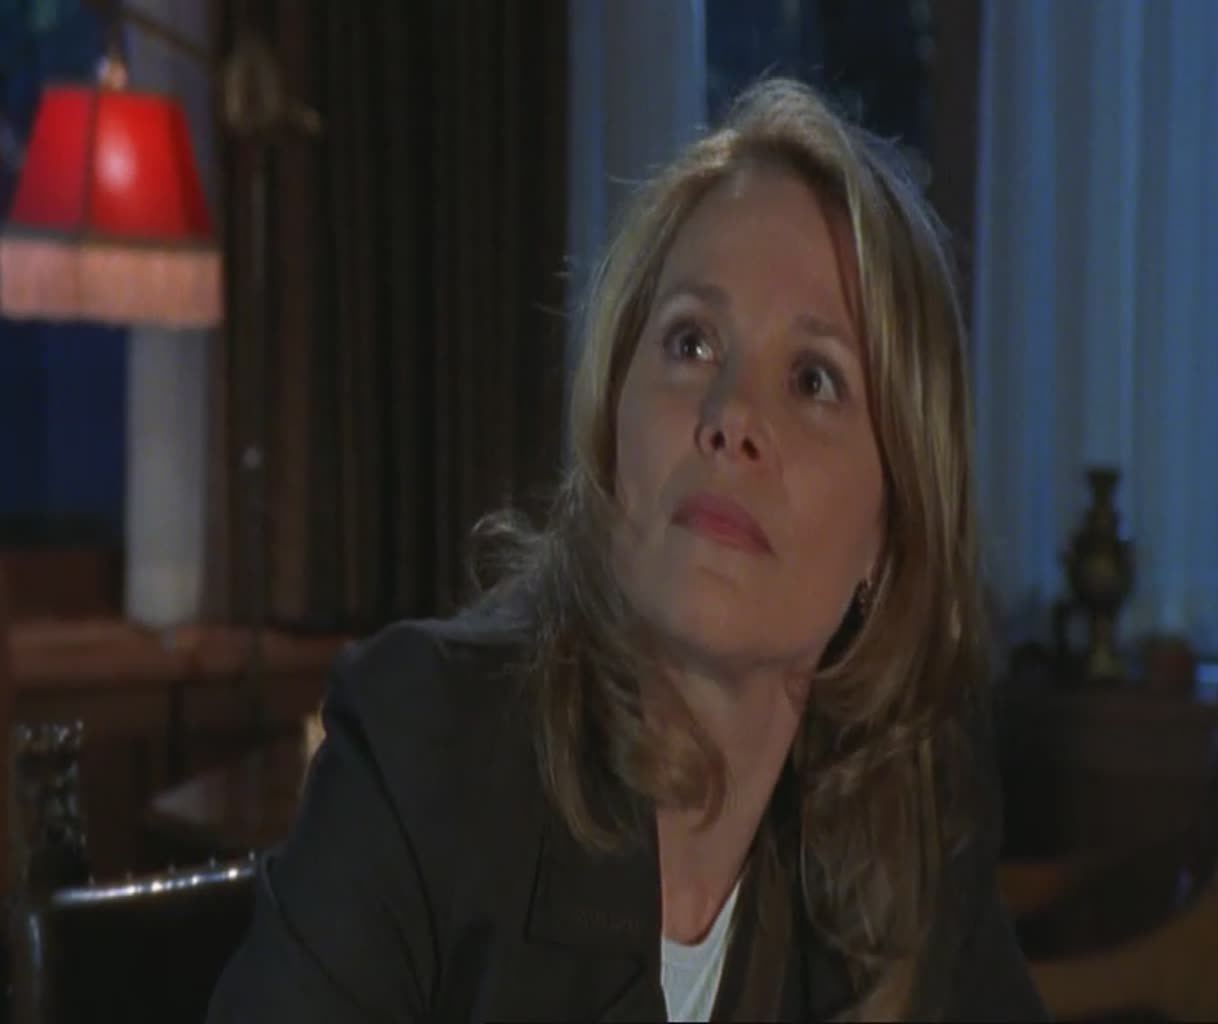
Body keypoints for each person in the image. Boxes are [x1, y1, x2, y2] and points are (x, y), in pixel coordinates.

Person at [207, 78, 1045, 1022]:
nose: (731, 415)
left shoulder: (911, 814)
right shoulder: (429, 749)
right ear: (612, 428)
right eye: (692, 343)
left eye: (814, 380)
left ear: (891, 537)